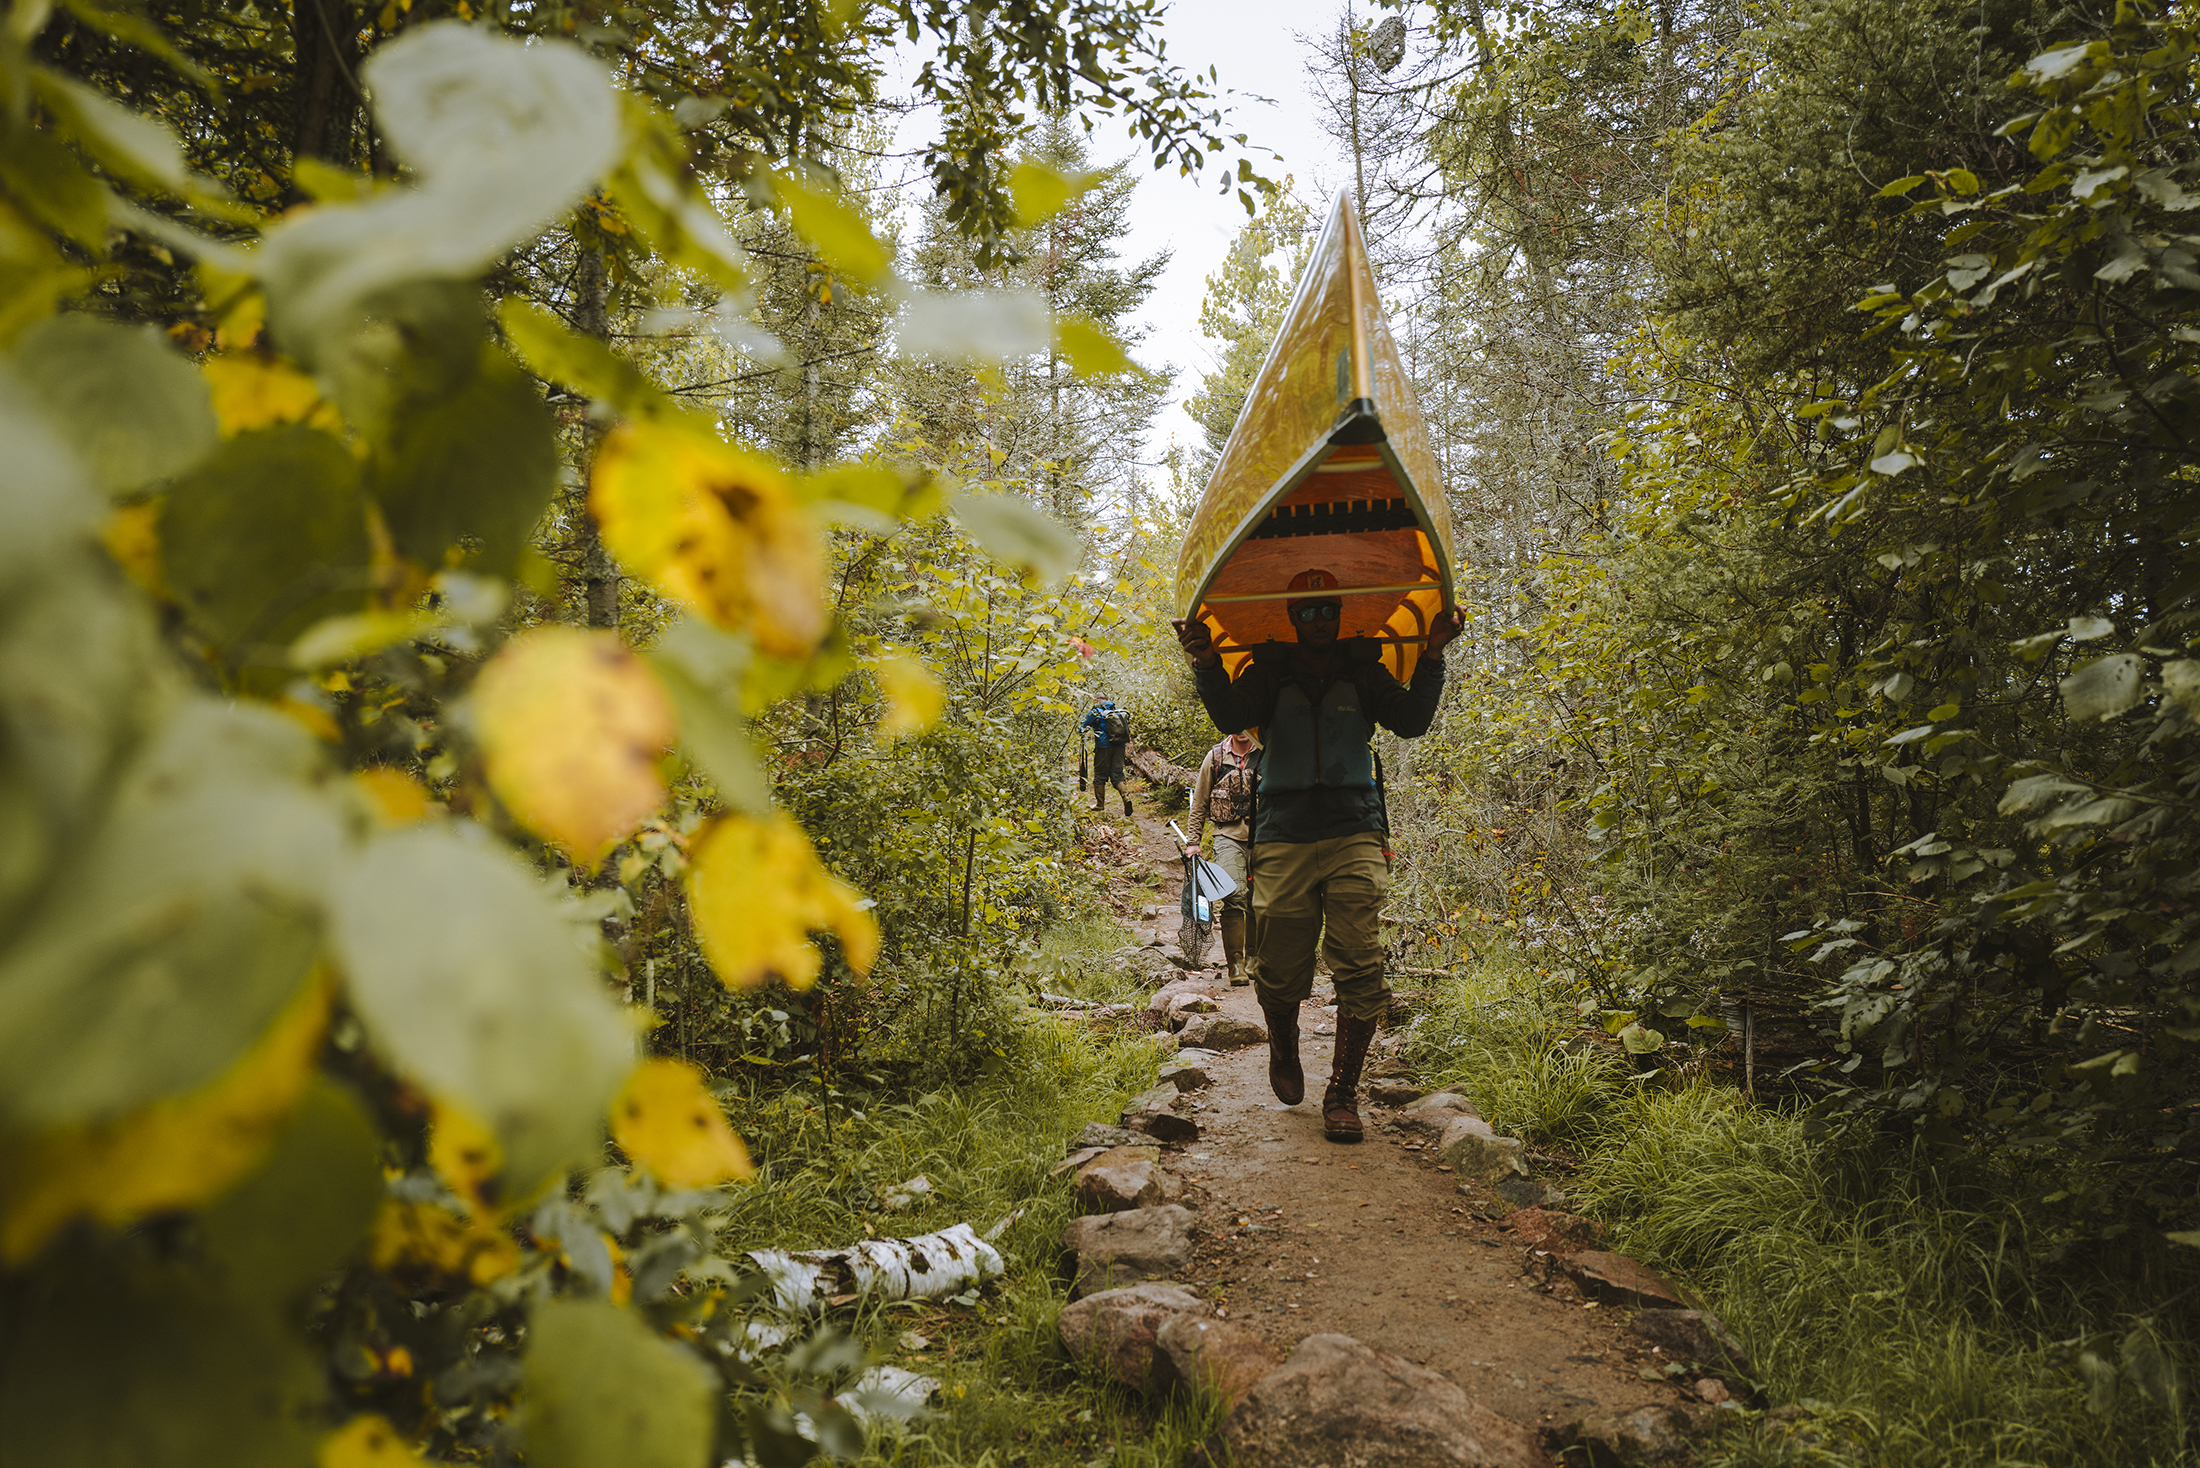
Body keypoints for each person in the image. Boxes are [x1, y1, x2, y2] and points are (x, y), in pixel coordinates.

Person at [1172, 569, 1463, 1142]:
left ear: (1340, 613)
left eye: (1326, 610)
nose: (1318, 622)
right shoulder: (1268, 673)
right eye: (1305, 613)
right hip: (1283, 832)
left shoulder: (1364, 670)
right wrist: (1206, 662)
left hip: (1355, 828)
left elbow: (1411, 722)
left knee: (1360, 959)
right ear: (1292, 619)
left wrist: (1432, 656)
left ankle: (1343, 1092)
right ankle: (1284, 1044)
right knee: (1278, 959)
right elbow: (1232, 718)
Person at [1183, 729, 1259, 987]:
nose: (1241, 730)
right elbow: (1200, 802)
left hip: (1264, 837)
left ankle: (1254, 959)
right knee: (1234, 895)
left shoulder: (1266, 754)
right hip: (1228, 836)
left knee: (1259, 900)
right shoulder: (1215, 758)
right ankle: (1236, 963)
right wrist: (1193, 841)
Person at [1080, 698, 1133, 816]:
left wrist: (1082, 731)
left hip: (1103, 747)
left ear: (1097, 700)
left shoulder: (1095, 712)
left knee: (1100, 775)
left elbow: (1083, 727)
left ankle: (1100, 804)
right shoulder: (1116, 711)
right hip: (1120, 746)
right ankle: (1126, 797)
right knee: (1118, 774)